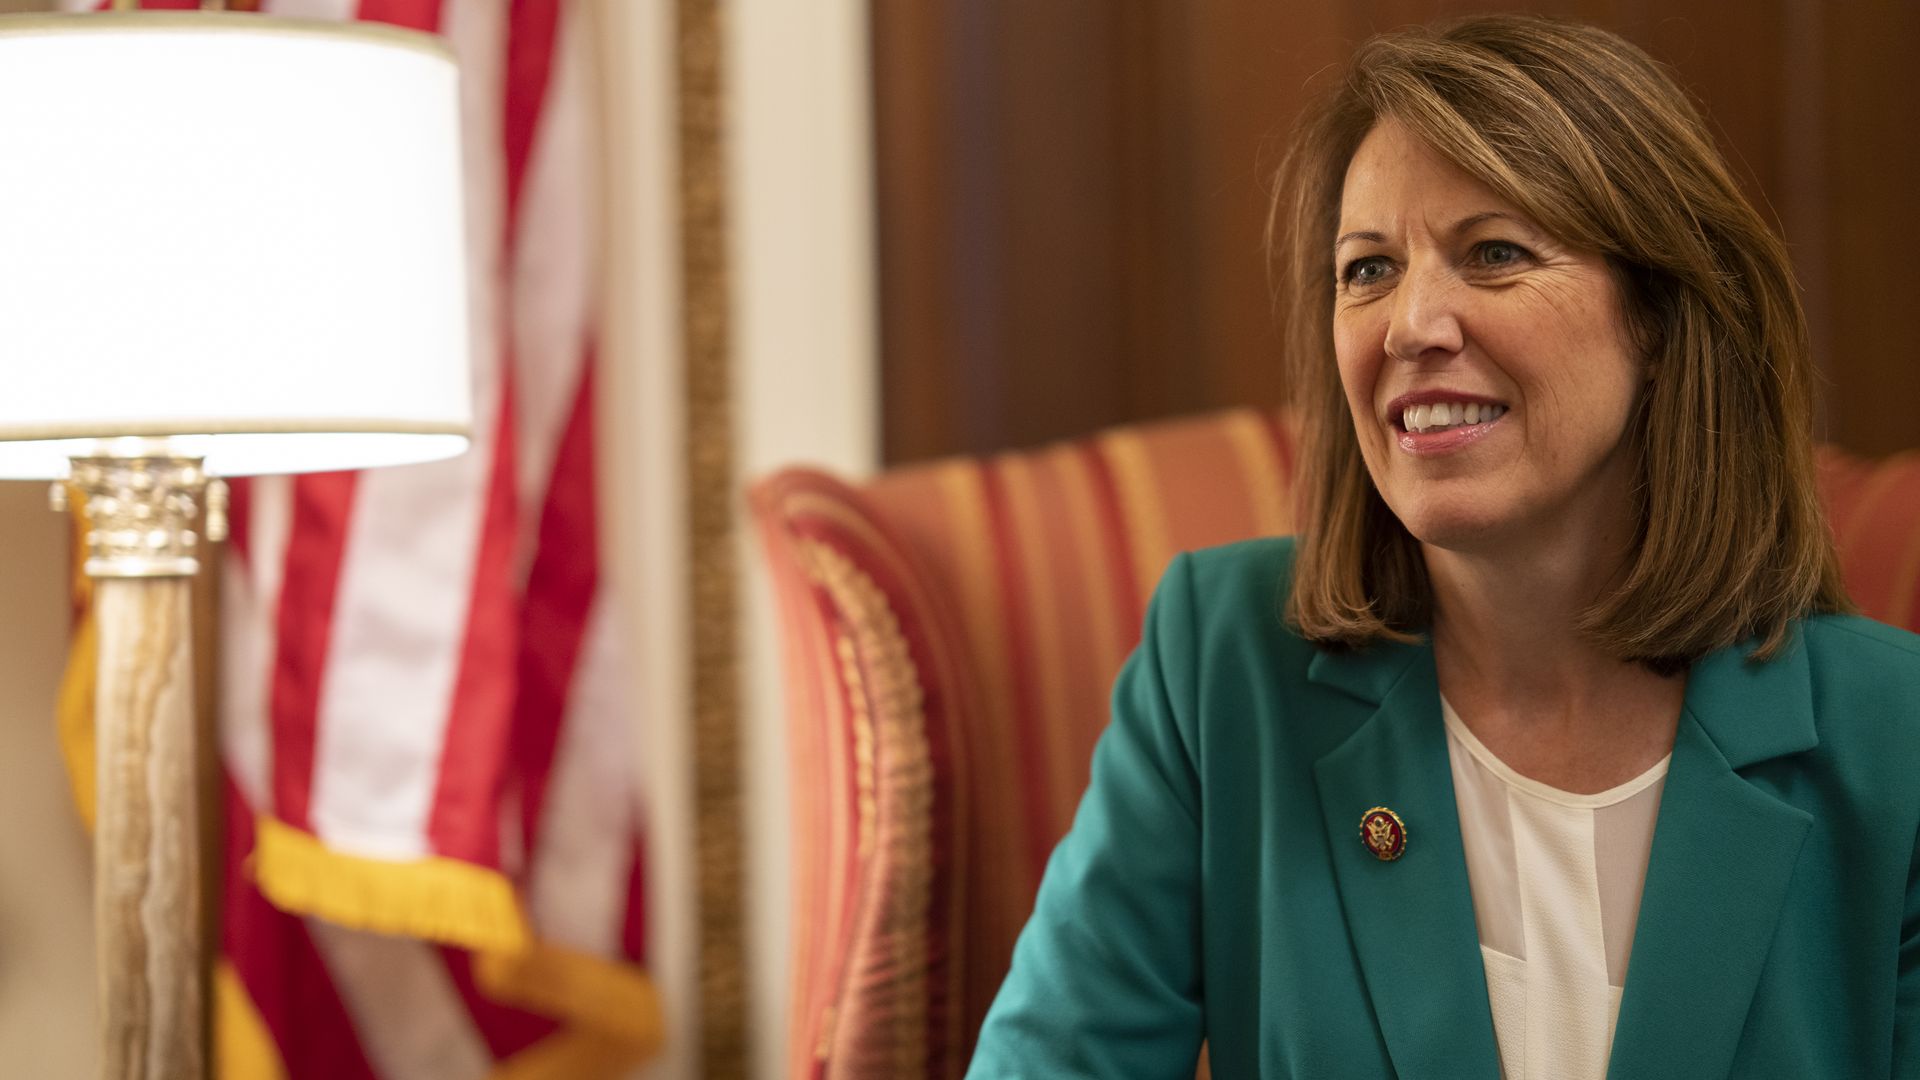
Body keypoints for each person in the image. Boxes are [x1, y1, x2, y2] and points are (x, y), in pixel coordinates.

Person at [965, 13, 1920, 1080]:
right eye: (1367, 268)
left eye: (1496, 253)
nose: (1410, 324)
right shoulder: (1222, 662)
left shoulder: (1898, 743)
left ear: (1659, 318)